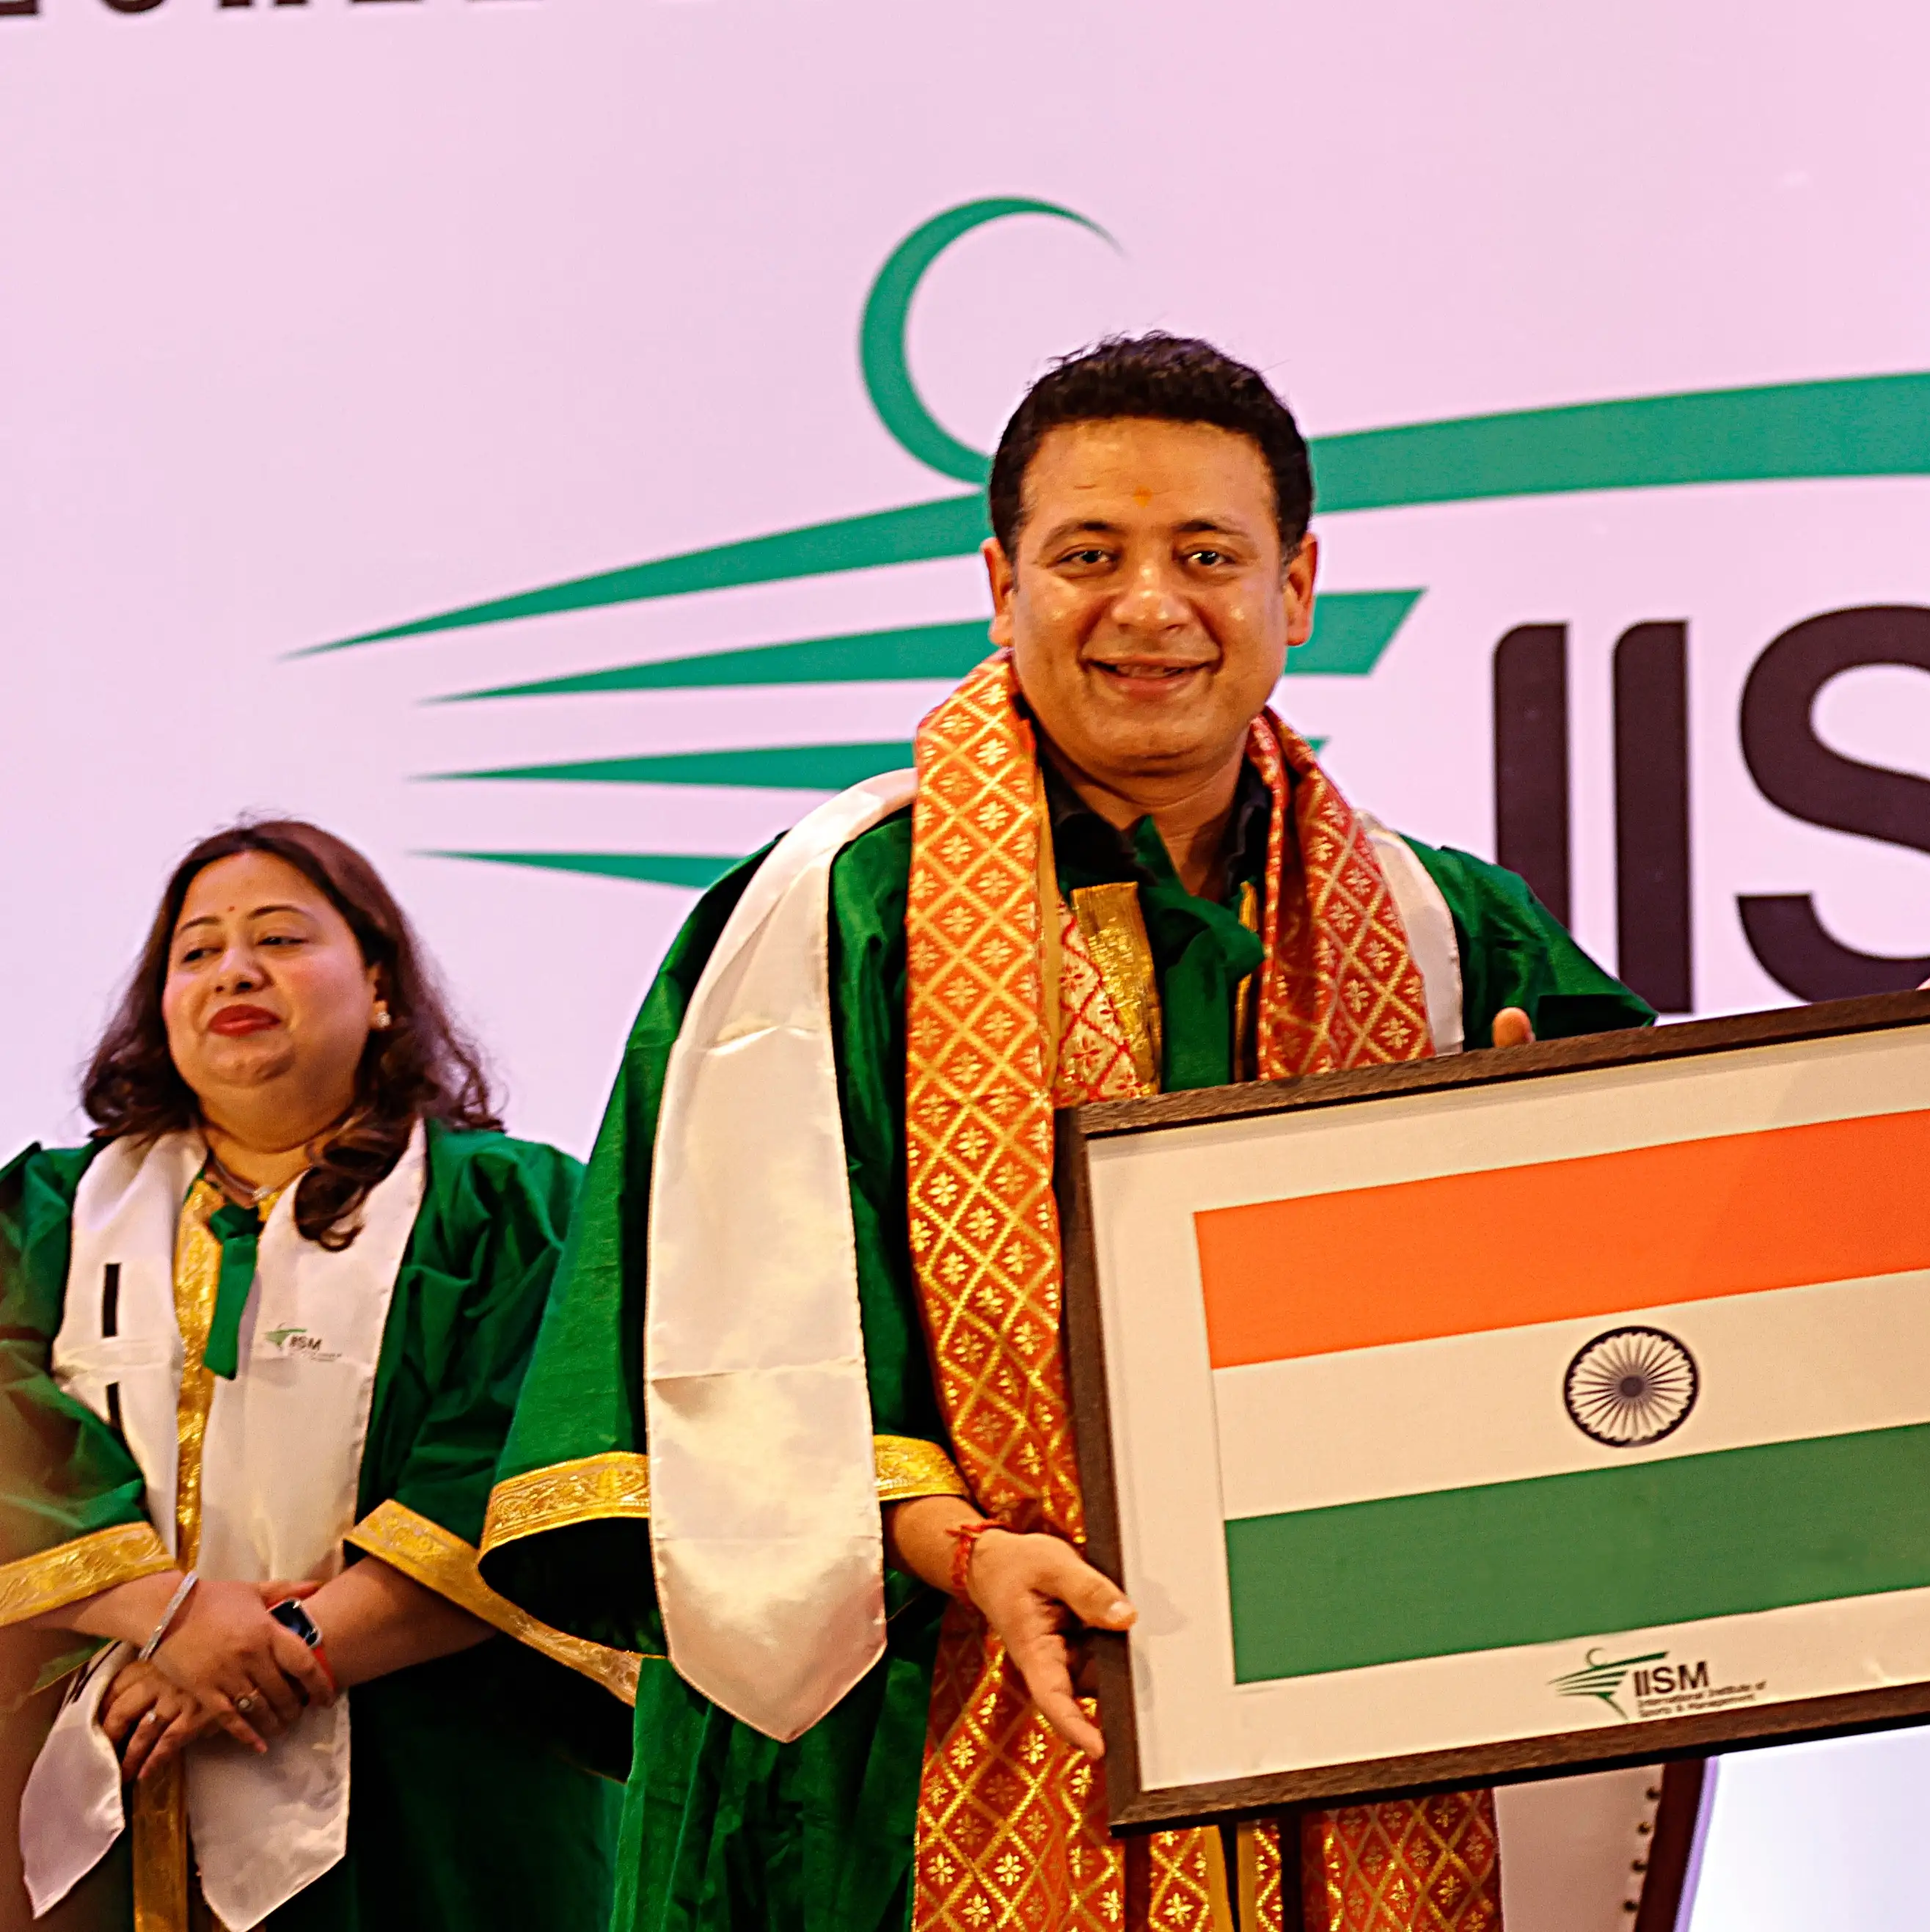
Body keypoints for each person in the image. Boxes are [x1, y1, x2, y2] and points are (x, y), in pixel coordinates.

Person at [480, 334, 1655, 1932]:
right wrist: (963, 1549)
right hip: (909, 1723)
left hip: (1344, 1711)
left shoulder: (1443, 928)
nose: (1150, 608)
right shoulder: (828, 916)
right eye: (1086, 556)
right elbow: (714, 1358)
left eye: (1208, 557)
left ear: (1298, 587)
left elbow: (1665, 1283)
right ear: (998, 583)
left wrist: (1544, 1189)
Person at [0, 821, 626, 1932]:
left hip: (431, 1779)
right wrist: (171, 1614)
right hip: (103, 1764)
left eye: (280, 937)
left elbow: (520, 1454)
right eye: (196, 952)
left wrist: (274, 1657)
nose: (235, 968)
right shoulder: (47, 1216)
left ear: (379, 985)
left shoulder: (511, 1209)